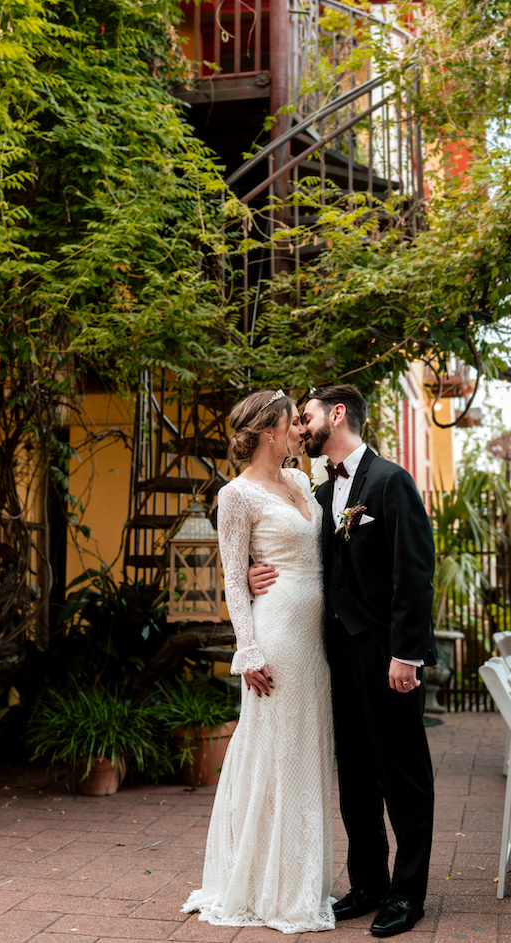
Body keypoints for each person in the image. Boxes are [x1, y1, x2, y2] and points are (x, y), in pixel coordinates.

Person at [249, 383, 436, 938]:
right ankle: (369, 884)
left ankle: (407, 895)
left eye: (305, 417)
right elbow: (295, 553)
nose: (301, 427)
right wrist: (255, 570)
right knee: (355, 774)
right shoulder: (320, 491)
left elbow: (415, 573)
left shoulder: (390, 481)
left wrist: (406, 653)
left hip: (386, 653)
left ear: (337, 415)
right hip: (336, 652)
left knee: (401, 772)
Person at [182, 389, 335, 933]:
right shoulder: (236, 496)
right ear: (268, 431)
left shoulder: (298, 482)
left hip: (315, 636)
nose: (302, 429)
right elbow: (231, 574)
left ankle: (298, 875)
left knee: (306, 750)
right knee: (276, 751)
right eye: (294, 422)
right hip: (278, 636)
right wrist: (246, 650)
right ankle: (268, 885)